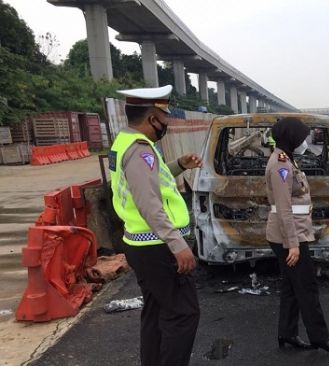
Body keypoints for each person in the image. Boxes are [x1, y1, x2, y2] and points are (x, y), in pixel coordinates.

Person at [109, 85, 202, 366]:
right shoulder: (140, 150)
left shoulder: (126, 142)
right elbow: (149, 202)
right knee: (183, 314)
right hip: (158, 247)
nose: (167, 123)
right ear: (152, 118)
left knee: (155, 311)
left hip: (141, 244)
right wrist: (178, 245)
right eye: (165, 118)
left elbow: (149, 180)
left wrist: (178, 165)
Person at [265, 117, 329, 352]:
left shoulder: (287, 159)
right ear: (290, 137)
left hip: (290, 234)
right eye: (301, 137)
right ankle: (320, 337)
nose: (304, 142)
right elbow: (283, 207)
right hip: (289, 237)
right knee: (307, 287)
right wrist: (293, 245)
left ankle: (287, 334)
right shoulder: (281, 163)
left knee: (291, 286)